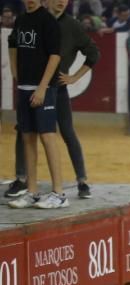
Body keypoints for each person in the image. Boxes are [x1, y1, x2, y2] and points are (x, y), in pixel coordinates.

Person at [7, 0, 99, 202]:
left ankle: (81, 180)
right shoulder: (28, 19)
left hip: (55, 87)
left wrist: (74, 77)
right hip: (34, 84)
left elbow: (92, 53)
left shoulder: (71, 24)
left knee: (65, 132)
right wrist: (16, 72)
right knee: (24, 132)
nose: (60, 1)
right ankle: (22, 179)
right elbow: (13, 42)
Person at [7, 0, 69, 209]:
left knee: (48, 136)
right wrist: (16, 72)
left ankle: (59, 193)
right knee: (27, 137)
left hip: (44, 88)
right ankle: (32, 191)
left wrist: (42, 87)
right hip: (24, 87)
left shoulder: (48, 21)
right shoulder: (21, 20)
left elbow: (55, 56)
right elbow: (13, 45)